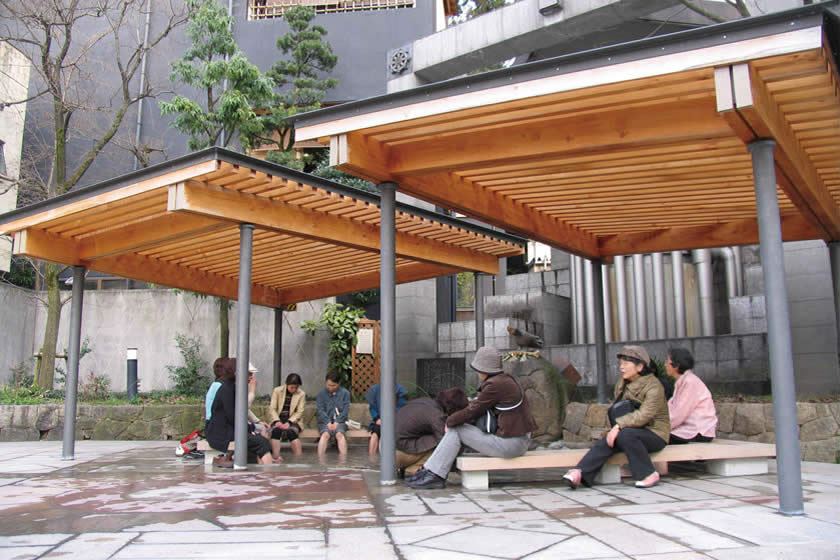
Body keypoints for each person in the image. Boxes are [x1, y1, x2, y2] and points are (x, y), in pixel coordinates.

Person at [407, 346, 537, 490]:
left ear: (483, 369)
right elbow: (477, 407)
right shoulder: (504, 381)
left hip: (512, 445)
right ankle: (430, 471)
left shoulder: (496, 385)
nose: (476, 372)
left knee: (457, 429)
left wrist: (449, 422)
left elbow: (472, 411)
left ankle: (433, 474)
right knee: (458, 428)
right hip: (517, 441)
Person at [563, 345, 670, 489]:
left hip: (655, 433)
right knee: (609, 439)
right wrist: (615, 429)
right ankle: (581, 472)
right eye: (620, 363)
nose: (621, 367)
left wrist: (618, 426)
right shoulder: (623, 382)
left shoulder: (654, 387)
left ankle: (648, 473)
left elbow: (645, 415)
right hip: (630, 430)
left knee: (624, 435)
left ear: (640, 367)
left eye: (626, 363)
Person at [204, 357, 277, 467]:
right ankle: (268, 471)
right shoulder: (227, 389)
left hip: (227, 430)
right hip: (220, 433)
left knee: (261, 440)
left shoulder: (232, 387)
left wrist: (249, 428)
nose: (251, 377)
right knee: (261, 442)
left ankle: (266, 468)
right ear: (236, 373)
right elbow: (232, 415)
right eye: (248, 374)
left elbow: (239, 412)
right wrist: (248, 429)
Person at [396, 387, 469, 477]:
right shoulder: (436, 416)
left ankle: (406, 466)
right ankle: (417, 468)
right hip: (398, 454)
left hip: (386, 450)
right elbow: (446, 444)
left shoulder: (425, 401)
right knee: (445, 440)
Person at [665, 347, 717, 444]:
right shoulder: (683, 381)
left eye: (667, 362)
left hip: (698, 431)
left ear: (676, 365)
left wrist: (660, 428)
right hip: (686, 429)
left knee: (655, 439)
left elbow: (679, 414)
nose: (665, 365)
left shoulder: (690, 382)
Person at [268, 373, 306, 457]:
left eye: (296, 387)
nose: (294, 389)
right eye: (292, 387)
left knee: (291, 432)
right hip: (278, 418)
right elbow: (272, 408)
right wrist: (277, 421)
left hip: (293, 420)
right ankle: (276, 456)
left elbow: (300, 411)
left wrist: (289, 422)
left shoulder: (301, 394)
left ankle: (299, 457)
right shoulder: (277, 391)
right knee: (275, 431)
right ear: (287, 384)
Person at [365, 382, 407, 455]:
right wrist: (377, 419)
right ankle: (371, 457)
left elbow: (401, 407)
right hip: (379, 420)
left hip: (394, 420)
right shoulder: (375, 389)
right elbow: (372, 408)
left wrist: (390, 419)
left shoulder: (398, 389)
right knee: (375, 434)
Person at [316, 371, 351, 455]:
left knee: (340, 434)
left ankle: (343, 459)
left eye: (334, 385)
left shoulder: (345, 393)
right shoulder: (321, 394)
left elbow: (345, 411)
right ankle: (320, 458)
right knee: (325, 435)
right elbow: (320, 410)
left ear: (339, 383)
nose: (331, 388)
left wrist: (337, 422)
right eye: (329, 385)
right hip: (324, 422)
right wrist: (328, 422)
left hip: (341, 421)